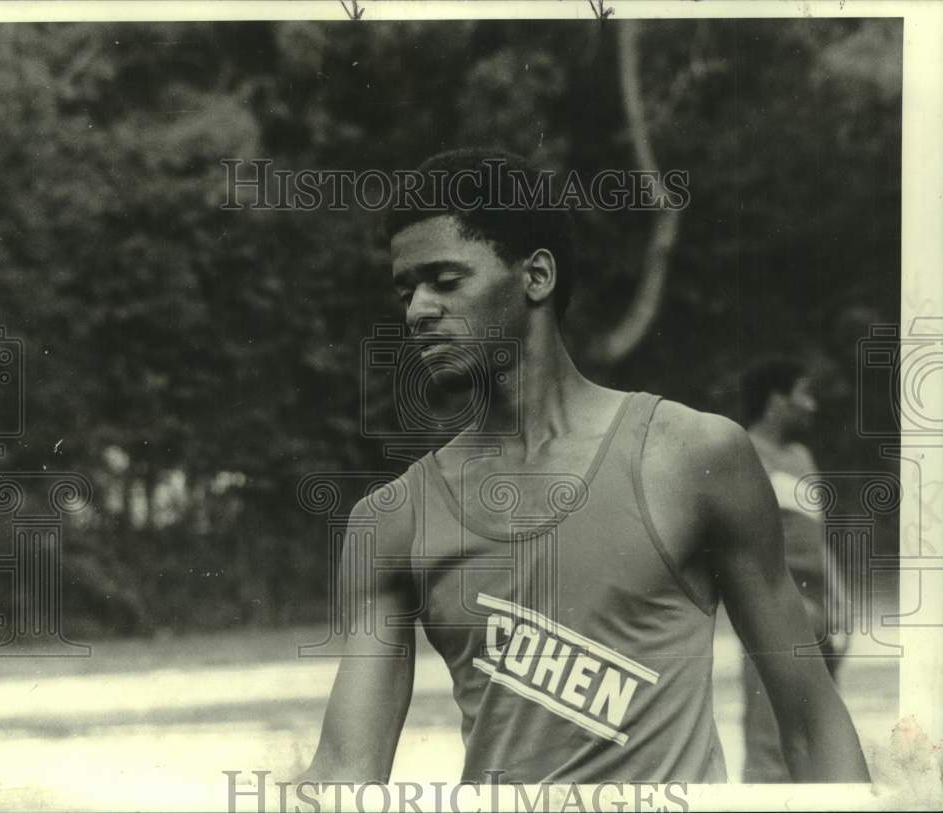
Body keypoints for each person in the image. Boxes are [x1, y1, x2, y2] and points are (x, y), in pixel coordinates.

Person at [299, 149, 868, 784]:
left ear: (536, 277)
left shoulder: (691, 457)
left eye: (445, 281)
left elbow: (812, 722)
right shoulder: (392, 520)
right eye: (406, 291)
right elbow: (344, 775)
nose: (417, 311)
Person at [738, 357, 847, 782]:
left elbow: (818, 534)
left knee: (822, 732)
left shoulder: (801, 456)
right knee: (770, 738)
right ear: (776, 401)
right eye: (804, 393)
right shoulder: (742, 452)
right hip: (776, 611)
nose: (812, 405)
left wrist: (840, 598)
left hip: (818, 611)